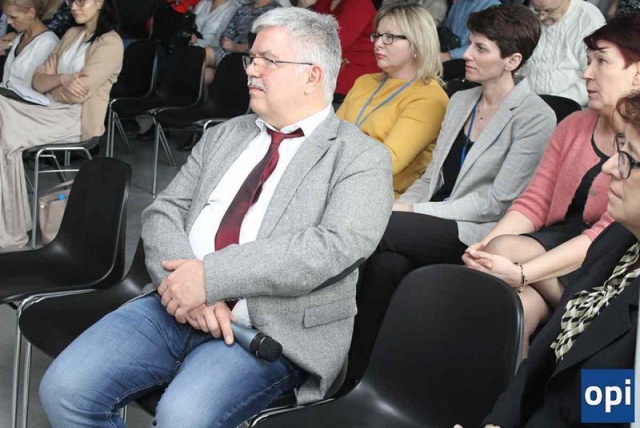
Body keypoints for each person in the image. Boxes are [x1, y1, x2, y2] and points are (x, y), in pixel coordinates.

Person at [38, 7, 393, 428]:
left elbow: (333, 246)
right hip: (174, 306)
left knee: (183, 418)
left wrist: (208, 279)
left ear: (312, 76)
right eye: (251, 58)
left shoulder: (359, 157)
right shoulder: (224, 134)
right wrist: (182, 287)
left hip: (270, 332)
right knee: (64, 390)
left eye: (268, 60)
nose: (251, 70)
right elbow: (164, 211)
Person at [349, 4, 556, 384]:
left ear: (512, 61)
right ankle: (359, 378)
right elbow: (431, 177)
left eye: (480, 48)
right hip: (433, 218)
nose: (467, 55)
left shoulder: (535, 116)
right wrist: (403, 204)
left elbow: (496, 203)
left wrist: (413, 211)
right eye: (471, 44)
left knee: (379, 225)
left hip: (480, 231)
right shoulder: (461, 99)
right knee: (386, 267)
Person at [463, 12, 640, 355]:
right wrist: (484, 246)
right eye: (588, 61)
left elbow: (604, 236)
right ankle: (508, 390)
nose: (586, 73)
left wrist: (522, 272)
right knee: (517, 306)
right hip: (551, 248)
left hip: (599, 261)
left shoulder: (637, 146)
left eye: (601, 61)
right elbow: (535, 201)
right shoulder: (574, 124)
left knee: (503, 253)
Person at [476, 90, 640, 428]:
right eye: (619, 146)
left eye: (630, 158)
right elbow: (543, 356)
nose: (609, 166)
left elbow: (607, 412)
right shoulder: (618, 240)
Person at [0, 0, 123, 248]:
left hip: (77, 120)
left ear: (100, 2)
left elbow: (79, 93)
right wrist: (64, 78)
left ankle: (13, 231)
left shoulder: (110, 43)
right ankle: (12, 229)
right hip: (49, 110)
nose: (73, 6)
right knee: (5, 135)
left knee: (3, 121)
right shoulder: (72, 33)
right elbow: (37, 81)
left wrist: (53, 81)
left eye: (80, 1)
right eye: (70, 1)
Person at [337, 2, 448, 197]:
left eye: (389, 37)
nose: (378, 43)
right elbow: (330, 134)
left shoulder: (430, 97)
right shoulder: (364, 82)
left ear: (417, 43)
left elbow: (387, 161)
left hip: (378, 196)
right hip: (336, 181)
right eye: (377, 35)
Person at [518, 0, 604, 107]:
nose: (541, 17)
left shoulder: (588, 17)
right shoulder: (528, 12)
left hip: (570, 105)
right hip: (526, 103)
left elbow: (594, 77)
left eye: (549, 11)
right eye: (537, 10)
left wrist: (552, 105)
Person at [307, 0, 378, 98]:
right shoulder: (325, 2)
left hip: (351, 84)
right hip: (327, 76)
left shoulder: (360, 3)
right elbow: (306, 28)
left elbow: (334, 43)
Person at [208, 0, 279, 83]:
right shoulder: (243, 8)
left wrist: (237, 47)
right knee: (206, 71)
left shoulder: (275, 12)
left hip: (251, 57)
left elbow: (265, 44)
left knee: (207, 55)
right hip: (230, 50)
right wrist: (225, 41)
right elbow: (228, 31)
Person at [1, 0, 59, 90]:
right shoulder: (20, 38)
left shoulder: (48, 43)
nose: (8, 21)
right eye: (7, 16)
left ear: (31, 13)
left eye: (13, 17)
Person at [189, 0, 239, 86]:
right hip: (191, 45)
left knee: (200, 68)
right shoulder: (204, 3)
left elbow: (220, 39)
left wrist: (198, 41)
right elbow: (190, 24)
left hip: (212, 48)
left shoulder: (232, 8)